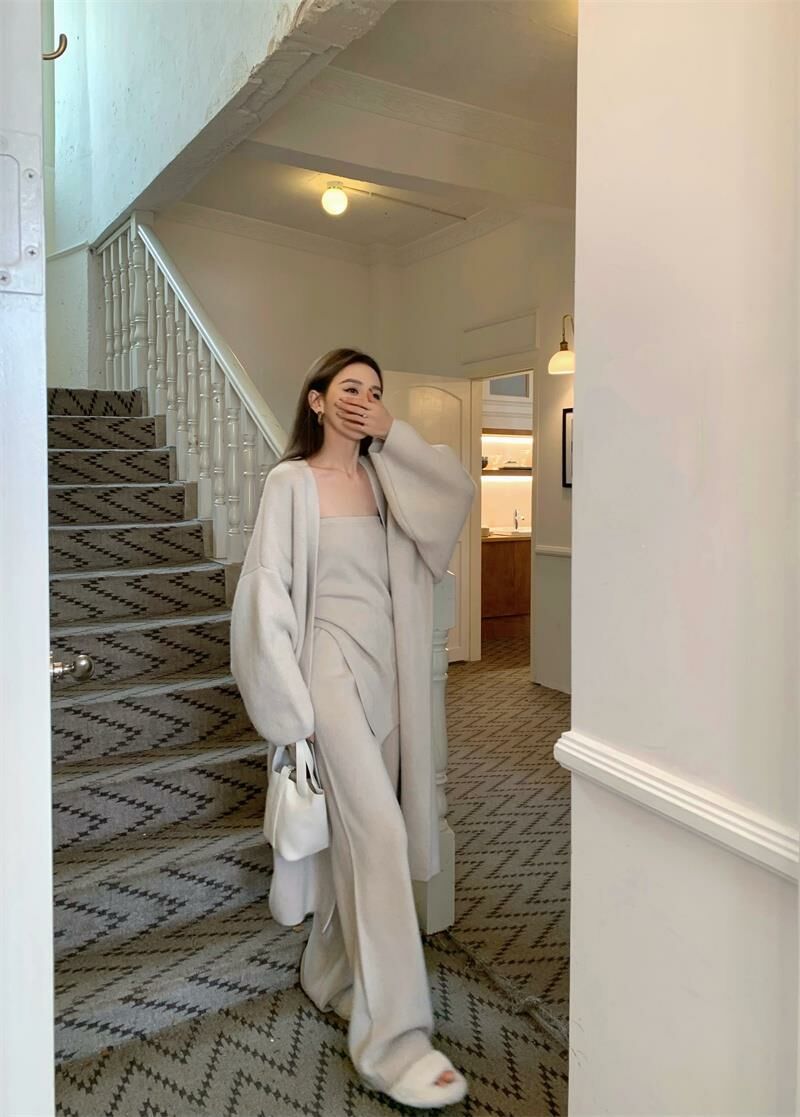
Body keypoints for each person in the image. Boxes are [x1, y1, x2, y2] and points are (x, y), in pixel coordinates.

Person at [230, 348, 475, 1108]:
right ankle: (394, 1043)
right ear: (316, 399)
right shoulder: (290, 483)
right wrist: (290, 713)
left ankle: (332, 973)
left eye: (374, 390)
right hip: (326, 671)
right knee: (381, 834)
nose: (362, 399)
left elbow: (454, 495)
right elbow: (265, 591)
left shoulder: (384, 475)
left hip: (386, 674)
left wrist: (394, 434)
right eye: (348, 387)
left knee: (358, 835)